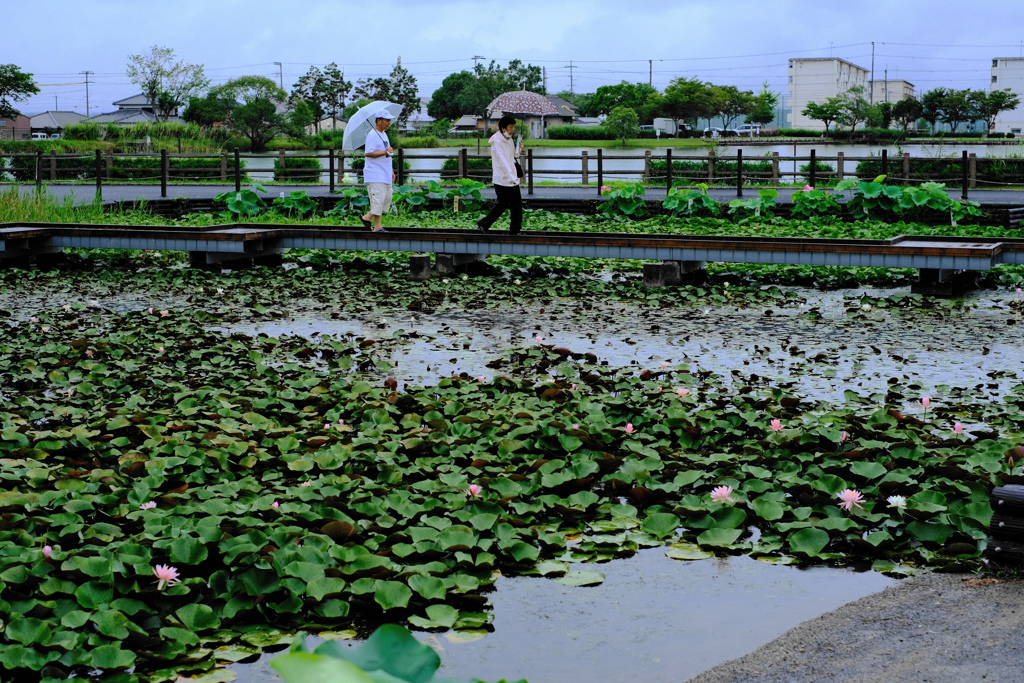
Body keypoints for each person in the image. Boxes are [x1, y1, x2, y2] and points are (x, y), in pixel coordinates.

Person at [477, 115, 524, 234]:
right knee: (502, 205)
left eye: (513, 127)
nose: (512, 129)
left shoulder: (509, 139)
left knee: (517, 205)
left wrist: (519, 148)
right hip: (502, 179)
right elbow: (503, 161)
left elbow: (513, 156)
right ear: (503, 128)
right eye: (510, 127)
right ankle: (484, 223)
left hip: (512, 177)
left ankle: (515, 230)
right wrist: (511, 177)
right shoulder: (497, 142)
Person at [361, 110, 396, 233]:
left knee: (387, 198)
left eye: (389, 120)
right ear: (379, 121)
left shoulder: (383, 134)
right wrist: (385, 152)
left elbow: (387, 155)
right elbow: (368, 153)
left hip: (385, 173)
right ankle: (377, 227)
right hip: (375, 174)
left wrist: (391, 171)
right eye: (387, 120)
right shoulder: (372, 135)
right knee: (378, 199)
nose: (389, 123)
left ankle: (367, 217)